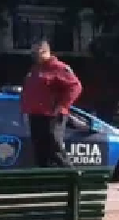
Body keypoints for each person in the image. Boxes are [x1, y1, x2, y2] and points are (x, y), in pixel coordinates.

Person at [21, 40, 83, 168]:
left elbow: (75, 87)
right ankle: (46, 182)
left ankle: (71, 176)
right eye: (32, 52)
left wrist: (62, 105)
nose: (33, 55)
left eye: (36, 52)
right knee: (40, 151)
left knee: (55, 148)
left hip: (52, 115)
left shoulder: (59, 67)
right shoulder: (35, 69)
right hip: (36, 115)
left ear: (45, 51)